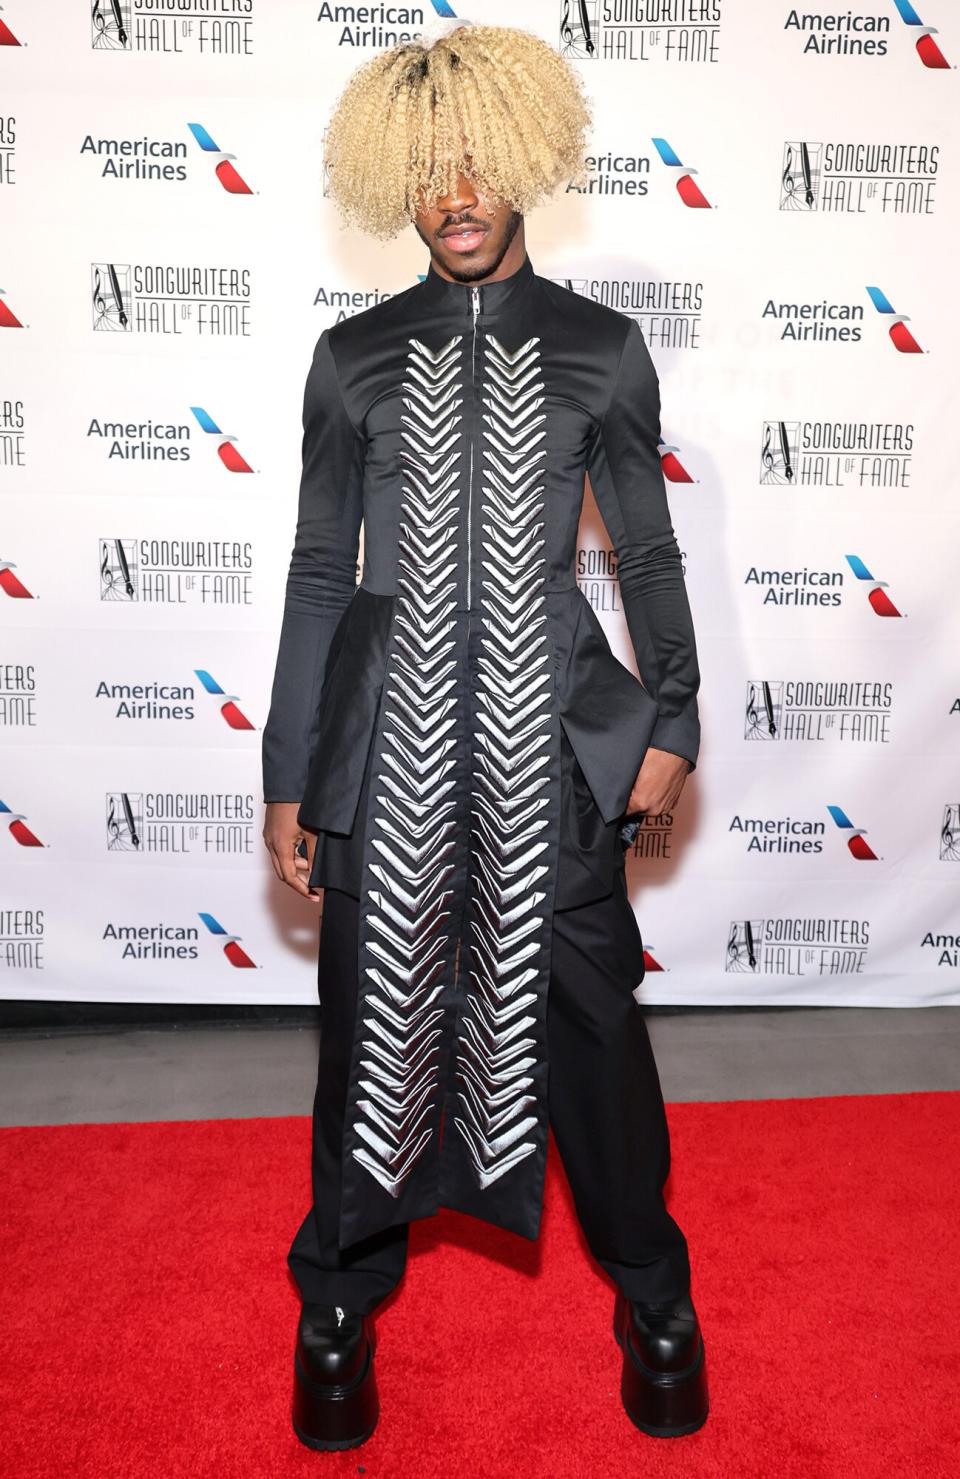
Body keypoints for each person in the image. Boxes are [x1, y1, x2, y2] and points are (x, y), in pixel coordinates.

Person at [261, 16, 707, 1451]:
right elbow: (322, 574)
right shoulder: (351, 359)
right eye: (428, 172)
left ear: (519, 169)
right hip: (379, 760)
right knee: (365, 1040)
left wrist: (677, 714)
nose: (455, 194)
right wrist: (289, 773)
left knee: (594, 1044)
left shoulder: (601, 349)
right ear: (400, 184)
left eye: (477, 167)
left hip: (554, 747)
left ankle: (655, 1302)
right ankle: (337, 1312)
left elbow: (643, 559)